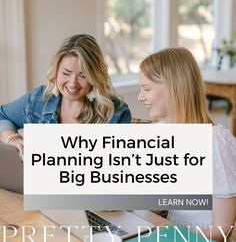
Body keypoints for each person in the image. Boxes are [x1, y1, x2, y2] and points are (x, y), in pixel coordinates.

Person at [138, 47, 236, 241]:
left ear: (174, 88)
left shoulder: (215, 143)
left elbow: (222, 231)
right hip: (168, 233)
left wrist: (172, 238)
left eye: (147, 88)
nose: (140, 97)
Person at [0, 34, 131, 154]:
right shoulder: (39, 98)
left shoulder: (117, 112)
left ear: (94, 77)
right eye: (66, 73)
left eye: (82, 76)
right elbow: (2, 116)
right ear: (56, 70)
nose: (72, 84)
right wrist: (13, 139)